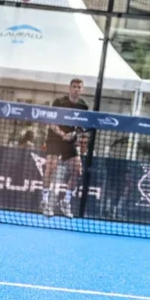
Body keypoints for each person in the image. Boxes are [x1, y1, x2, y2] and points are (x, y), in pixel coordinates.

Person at [42, 78, 91, 217]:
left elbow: (82, 127)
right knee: (51, 167)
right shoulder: (59, 102)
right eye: (74, 86)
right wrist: (63, 134)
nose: (76, 89)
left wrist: (79, 140)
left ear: (82, 90)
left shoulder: (83, 106)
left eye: (79, 87)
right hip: (54, 138)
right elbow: (51, 122)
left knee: (78, 170)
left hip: (70, 140)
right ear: (69, 88)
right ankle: (45, 202)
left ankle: (66, 201)